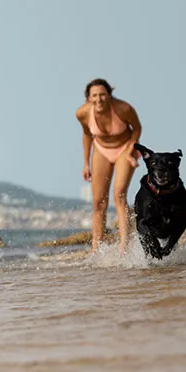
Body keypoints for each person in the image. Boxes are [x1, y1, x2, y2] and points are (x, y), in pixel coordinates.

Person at [75, 78, 143, 253]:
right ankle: (97, 248)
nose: (99, 99)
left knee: (119, 195)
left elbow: (137, 128)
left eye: (103, 95)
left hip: (124, 149)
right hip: (101, 150)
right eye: (95, 96)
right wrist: (85, 163)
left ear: (109, 95)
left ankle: (124, 248)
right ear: (88, 98)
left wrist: (131, 150)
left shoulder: (123, 108)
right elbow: (87, 135)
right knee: (98, 203)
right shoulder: (82, 113)